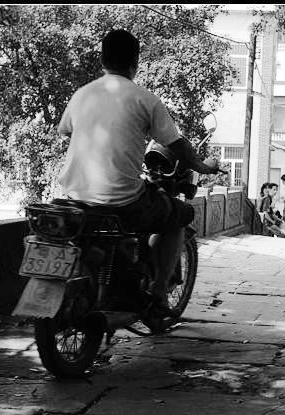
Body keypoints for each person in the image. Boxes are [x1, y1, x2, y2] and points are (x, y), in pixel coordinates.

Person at [56, 29, 220, 312]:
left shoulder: (81, 95)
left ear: (102, 60)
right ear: (136, 61)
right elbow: (178, 146)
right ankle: (157, 294)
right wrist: (204, 167)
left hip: (73, 197)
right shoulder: (145, 99)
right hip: (122, 202)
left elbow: (65, 132)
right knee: (180, 215)